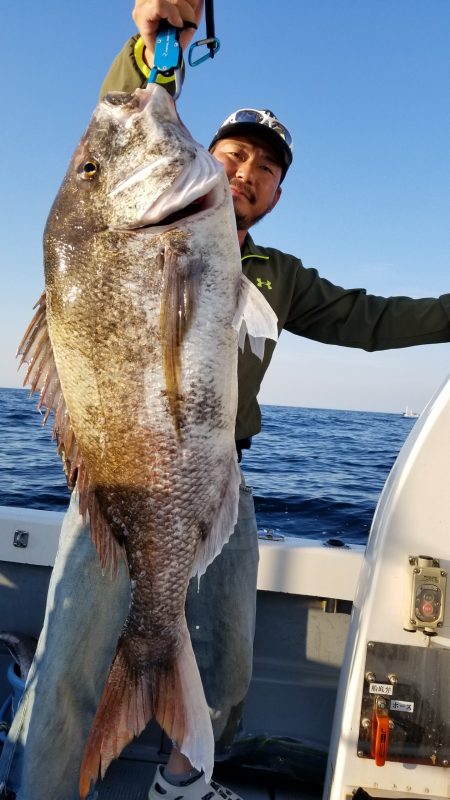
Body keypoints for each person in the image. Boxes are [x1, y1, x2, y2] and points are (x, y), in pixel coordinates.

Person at [2, 2, 450, 799]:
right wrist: (152, 44)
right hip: (114, 480)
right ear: (204, 155)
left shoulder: (278, 275)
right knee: (71, 658)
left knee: (229, 662)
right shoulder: (133, 225)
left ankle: (183, 781)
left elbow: (374, 318)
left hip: (220, 487)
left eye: (266, 168)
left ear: (277, 193)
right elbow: (122, 123)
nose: (247, 172)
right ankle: (37, 786)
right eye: (235, 154)